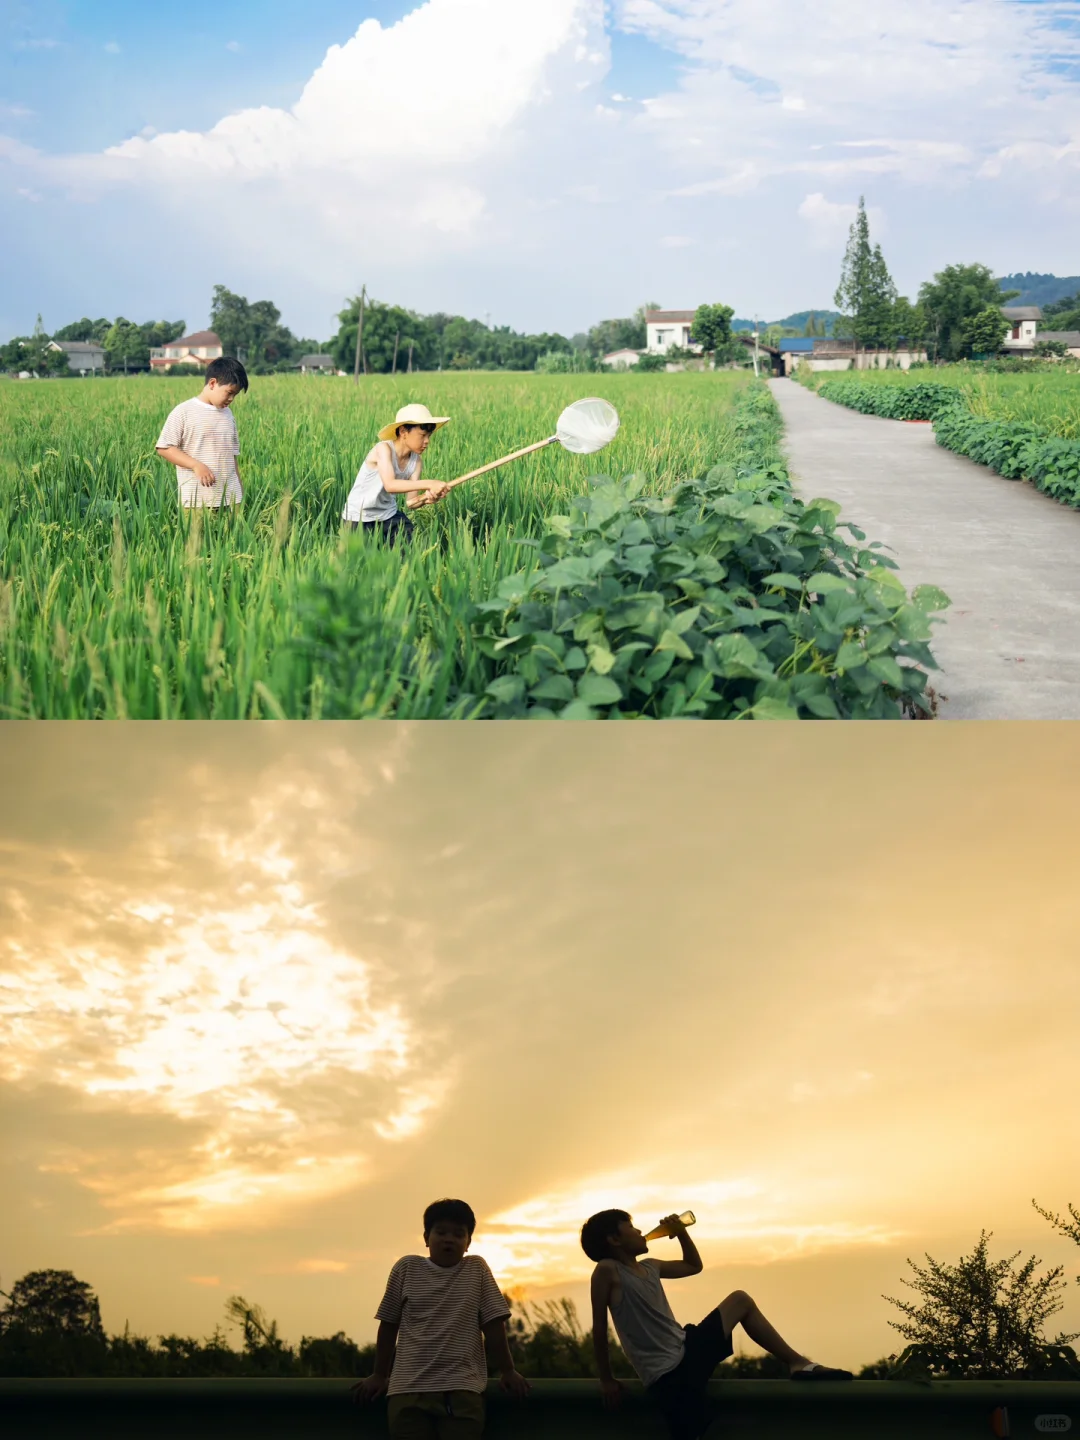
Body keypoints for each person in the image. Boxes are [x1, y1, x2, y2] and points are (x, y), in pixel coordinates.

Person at [582, 1209, 852, 1440]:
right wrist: (606, 1379)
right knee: (692, 1427)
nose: (640, 1230)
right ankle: (797, 1363)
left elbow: (693, 1265)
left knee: (740, 1300)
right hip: (669, 1374)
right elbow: (599, 1326)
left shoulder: (651, 1266)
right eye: (631, 1227)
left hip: (687, 1350)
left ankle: (798, 1363)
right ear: (614, 1239)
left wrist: (681, 1233)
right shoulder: (607, 1269)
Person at [353, 1197, 530, 1440]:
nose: (449, 1239)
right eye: (441, 1232)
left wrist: (508, 1370)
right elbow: (388, 1324)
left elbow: (493, 1325)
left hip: (461, 1390)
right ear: (426, 1238)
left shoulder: (476, 1269)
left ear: (468, 1243)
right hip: (408, 1391)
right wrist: (379, 1374)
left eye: (458, 1234)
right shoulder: (406, 1268)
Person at [342, 403, 452, 544]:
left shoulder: (416, 462)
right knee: (363, 563)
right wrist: (430, 483)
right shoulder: (383, 449)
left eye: (429, 436)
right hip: (359, 517)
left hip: (388, 515)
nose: (427, 442)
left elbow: (411, 502)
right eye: (423, 435)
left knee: (409, 549)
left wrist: (428, 498)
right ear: (403, 432)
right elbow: (390, 485)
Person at [155, 356, 249, 510]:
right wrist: (196, 465)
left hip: (231, 499)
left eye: (235, 395)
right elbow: (164, 448)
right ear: (212, 383)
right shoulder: (184, 411)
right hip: (196, 501)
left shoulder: (228, 415)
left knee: (233, 534)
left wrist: (239, 490)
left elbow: (232, 456)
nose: (231, 399)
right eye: (229, 392)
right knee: (196, 535)